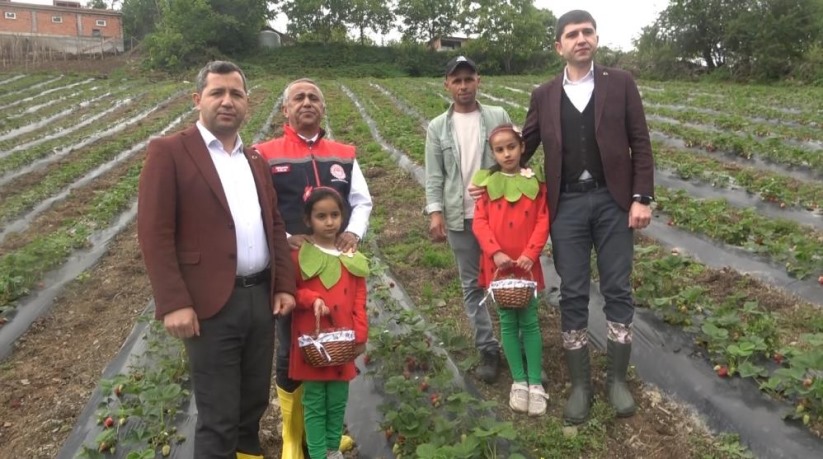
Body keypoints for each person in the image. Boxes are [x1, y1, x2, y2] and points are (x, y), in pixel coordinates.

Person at [137, 61, 296, 459]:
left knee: (251, 406)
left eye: (236, 94)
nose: (228, 101)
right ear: (198, 100)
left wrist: (283, 285)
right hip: (210, 305)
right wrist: (173, 302)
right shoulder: (170, 152)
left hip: (259, 299)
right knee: (218, 416)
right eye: (217, 93)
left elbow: (273, 223)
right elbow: (155, 233)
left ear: (247, 103)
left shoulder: (254, 159)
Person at [521, 10, 654, 423]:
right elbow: (524, 145)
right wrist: (493, 181)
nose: (581, 39)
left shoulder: (621, 83)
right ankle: (581, 385)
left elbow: (640, 141)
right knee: (573, 291)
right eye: (572, 34)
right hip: (569, 206)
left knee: (617, 288)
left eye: (587, 32)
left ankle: (616, 380)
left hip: (613, 202)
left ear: (595, 38)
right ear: (558, 45)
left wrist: (641, 197)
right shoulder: (543, 94)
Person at [254, 78, 371, 458]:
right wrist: (287, 235)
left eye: (314, 97)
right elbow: (260, 206)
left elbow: (362, 201)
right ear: (285, 109)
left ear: (323, 107)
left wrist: (352, 232)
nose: (307, 102)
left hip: (337, 266)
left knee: (336, 337)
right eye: (298, 98)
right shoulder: (266, 153)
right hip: (292, 269)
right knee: (292, 344)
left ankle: (326, 431)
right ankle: (293, 435)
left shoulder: (343, 153)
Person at [424, 56, 512, 383]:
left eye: (468, 79)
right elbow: (435, 174)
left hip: (498, 215)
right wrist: (435, 212)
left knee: (505, 277)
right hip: (460, 217)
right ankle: (488, 347)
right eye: (456, 80)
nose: (463, 86)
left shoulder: (497, 116)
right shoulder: (437, 127)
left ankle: (516, 345)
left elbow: (512, 155)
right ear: (447, 84)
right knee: (472, 283)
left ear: (479, 80)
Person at [471, 123, 550, 416]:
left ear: (522, 147)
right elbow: (480, 222)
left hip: (527, 265)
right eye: (499, 149)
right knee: (507, 320)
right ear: (493, 152)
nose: (506, 154)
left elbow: (543, 220)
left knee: (529, 320)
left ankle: (535, 383)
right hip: (500, 264)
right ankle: (517, 380)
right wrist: (495, 252)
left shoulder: (536, 183)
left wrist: (531, 253)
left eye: (511, 147)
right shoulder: (487, 185)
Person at [289, 187, 368, 459]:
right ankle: (318, 453)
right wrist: (312, 298)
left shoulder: (350, 256)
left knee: (337, 399)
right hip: (312, 341)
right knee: (314, 401)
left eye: (335, 215)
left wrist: (360, 334)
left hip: (342, 343)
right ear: (308, 219)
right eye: (321, 216)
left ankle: (333, 450)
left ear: (342, 217)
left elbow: (359, 297)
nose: (329, 222)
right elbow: (290, 290)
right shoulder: (299, 254)